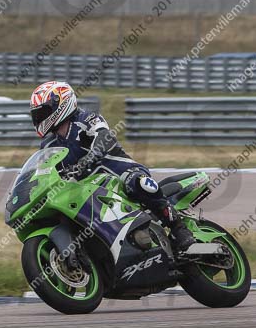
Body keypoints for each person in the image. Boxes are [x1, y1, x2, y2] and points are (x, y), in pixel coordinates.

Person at [29, 80, 195, 252]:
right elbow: (45, 171)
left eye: (43, 112)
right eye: (37, 114)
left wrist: (88, 159)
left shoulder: (86, 119)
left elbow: (104, 137)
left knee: (141, 184)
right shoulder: (49, 145)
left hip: (120, 172)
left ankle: (179, 228)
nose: (39, 118)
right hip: (87, 188)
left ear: (62, 103)